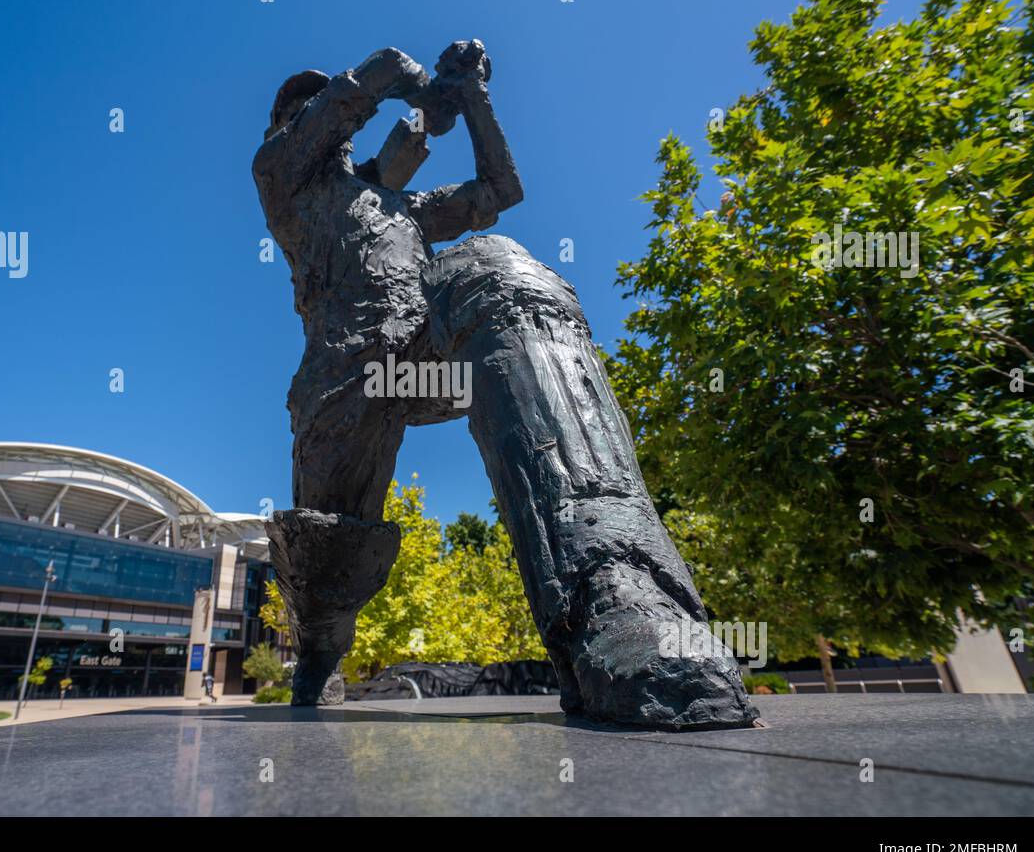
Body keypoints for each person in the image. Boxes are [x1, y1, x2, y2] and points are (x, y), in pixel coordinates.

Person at [253, 41, 756, 729]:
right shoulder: (283, 179)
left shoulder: (399, 206)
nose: (318, 112)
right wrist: (414, 82)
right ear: (289, 125)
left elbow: (500, 192)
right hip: (345, 384)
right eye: (302, 106)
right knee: (328, 561)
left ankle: (612, 587)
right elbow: (353, 97)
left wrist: (472, 94)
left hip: (421, 355)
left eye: (318, 102)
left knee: (499, 270)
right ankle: (317, 659)